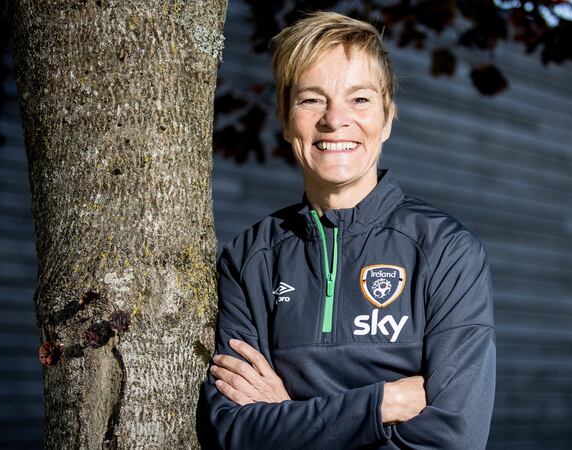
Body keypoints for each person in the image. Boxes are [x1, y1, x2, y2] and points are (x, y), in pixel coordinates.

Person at [197, 10, 495, 450]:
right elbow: (233, 433)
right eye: (311, 99)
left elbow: (455, 439)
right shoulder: (250, 259)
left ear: (388, 118)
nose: (335, 119)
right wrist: (379, 405)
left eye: (359, 99)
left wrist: (287, 417)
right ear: (285, 118)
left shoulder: (446, 252)